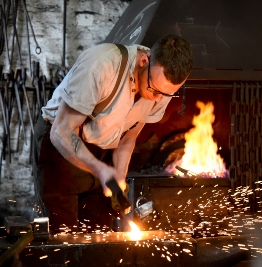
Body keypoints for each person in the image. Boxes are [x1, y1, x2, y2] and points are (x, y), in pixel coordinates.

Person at [32, 35, 193, 232]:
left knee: (98, 232)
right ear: (144, 60)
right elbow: (60, 132)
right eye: (154, 89)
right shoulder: (101, 65)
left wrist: (119, 177)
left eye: (167, 94)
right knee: (62, 235)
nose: (158, 99)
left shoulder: (161, 86)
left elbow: (128, 137)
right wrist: (100, 170)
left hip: (102, 151)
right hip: (61, 148)